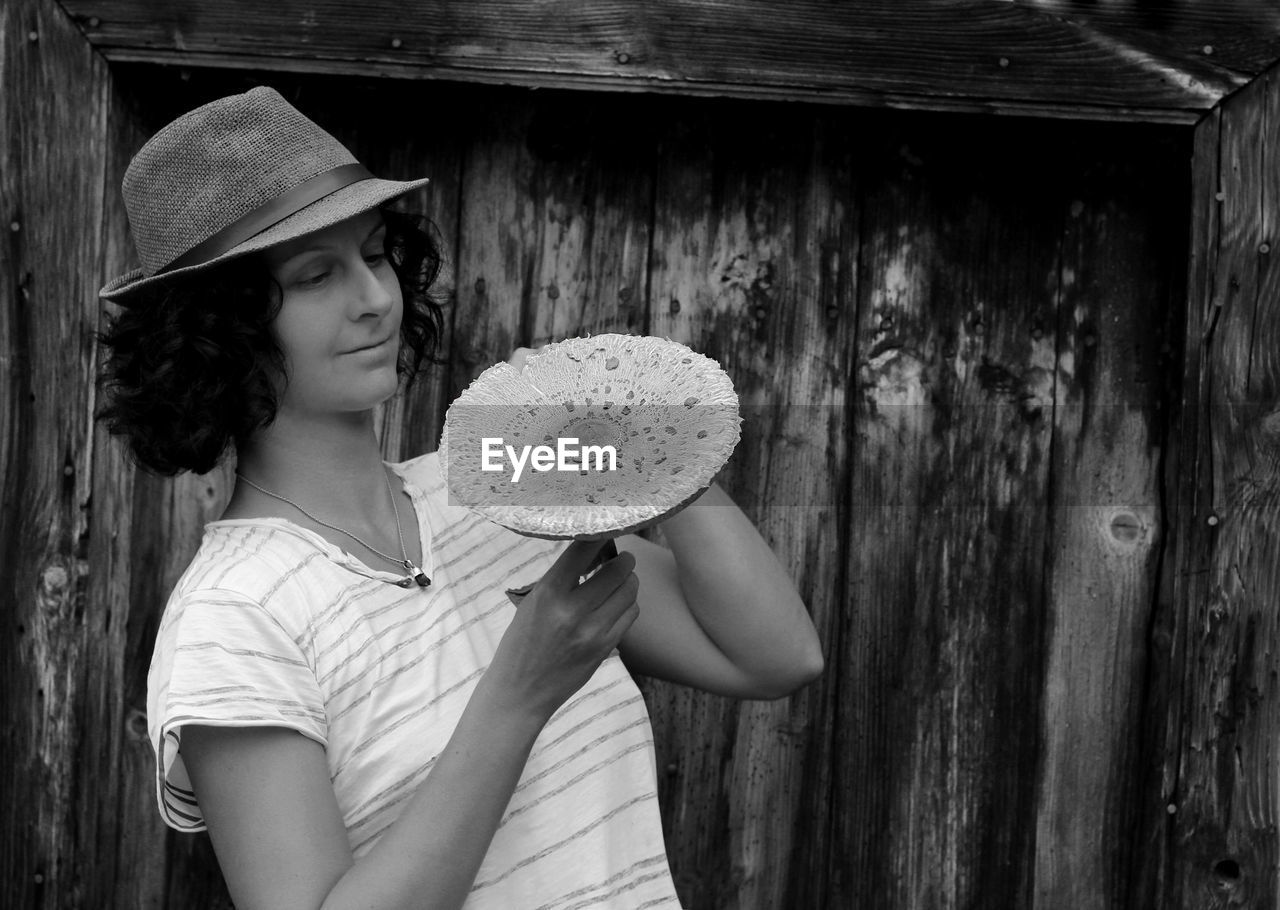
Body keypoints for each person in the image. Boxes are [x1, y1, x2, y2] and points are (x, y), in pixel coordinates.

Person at [97, 86, 824, 910]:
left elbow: (774, 657)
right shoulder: (233, 618)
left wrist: (642, 428)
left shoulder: (494, 487)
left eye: (375, 255)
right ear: (218, 330)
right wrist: (516, 694)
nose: (374, 298)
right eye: (315, 276)